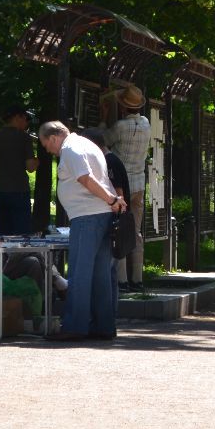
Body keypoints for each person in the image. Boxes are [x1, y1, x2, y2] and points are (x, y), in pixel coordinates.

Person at [39, 120, 127, 341]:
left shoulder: (70, 148)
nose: (47, 150)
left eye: (45, 144)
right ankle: (103, 326)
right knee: (100, 276)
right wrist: (110, 202)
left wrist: (111, 199)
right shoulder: (88, 144)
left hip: (87, 217)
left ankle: (74, 326)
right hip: (100, 215)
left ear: (53, 137)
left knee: (78, 273)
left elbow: (85, 178)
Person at [80, 128, 139, 292]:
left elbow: (118, 191)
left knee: (110, 265)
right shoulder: (111, 159)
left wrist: (115, 212)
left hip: (115, 218)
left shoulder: (109, 162)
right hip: (117, 216)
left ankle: (120, 286)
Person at [106, 85, 151, 293]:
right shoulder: (146, 124)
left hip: (120, 186)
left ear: (123, 107)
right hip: (139, 184)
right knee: (135, 231)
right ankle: (138, 278)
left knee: (120, 229)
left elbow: (104, 141)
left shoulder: (119, 126)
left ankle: (122, 279)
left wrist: (103, 118)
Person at [0, 105, 38, 235]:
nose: (27, 123)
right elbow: (30, 167)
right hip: (19, 191)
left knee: (2, 232)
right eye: (26, 119)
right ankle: (19, 256)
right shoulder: (24, 137)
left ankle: (2, 256)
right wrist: (38, 160)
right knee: (21, 234)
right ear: (17, 117)